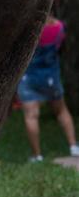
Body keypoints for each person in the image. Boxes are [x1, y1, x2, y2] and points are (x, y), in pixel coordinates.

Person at [18, 10, 79, 161]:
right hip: (50, 76)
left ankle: (37, 155)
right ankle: (73, 147)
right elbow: (60, 47)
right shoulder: (59, 27)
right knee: (61, 111)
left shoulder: (30, 30)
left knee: (31, 116)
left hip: (29, 77)